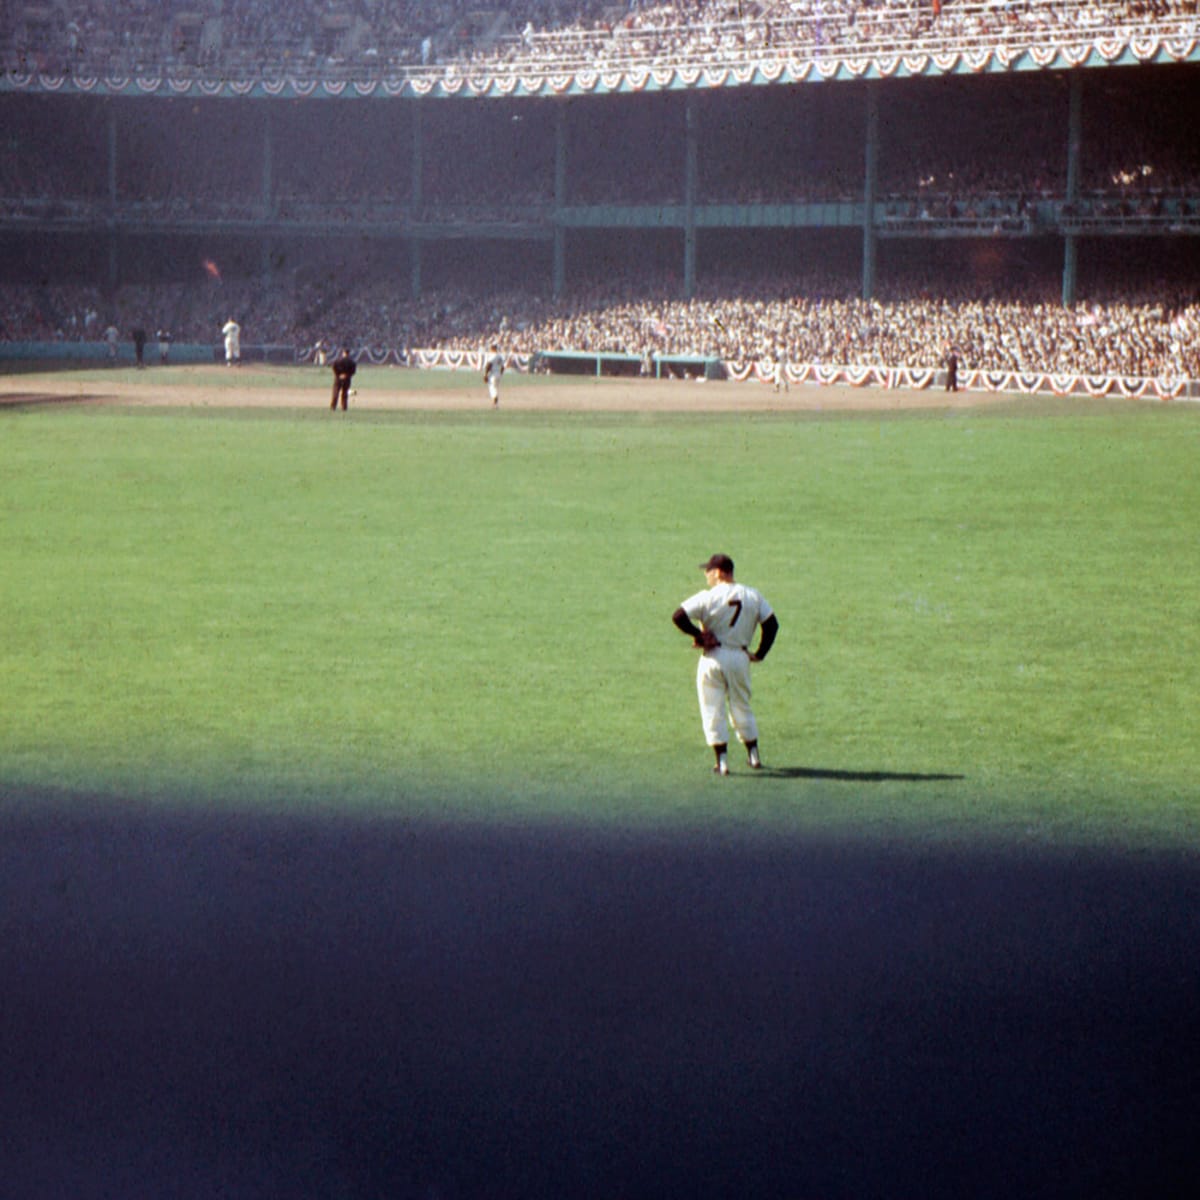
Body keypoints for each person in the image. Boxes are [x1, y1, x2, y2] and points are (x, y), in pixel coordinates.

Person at [672, 553, 779, 776]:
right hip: (740, 657)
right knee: (741, 706)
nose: (706, 575)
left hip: (713, 657)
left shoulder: (707, 597)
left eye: (709, 571)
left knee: (712, 708)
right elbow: (772, 625)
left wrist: (699, 636)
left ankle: (721, 762)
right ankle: (754, 756)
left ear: (719, 572)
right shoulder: (753, 595)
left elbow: (678, 616)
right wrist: (759, 654)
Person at [330, 346, 356, 411]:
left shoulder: (338, 360)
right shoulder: (352, 362)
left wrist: (338, 375)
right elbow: (353, 371)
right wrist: (347, 375)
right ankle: (344, 407)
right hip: (347, 379)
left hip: (338, 379)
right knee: (344, 393)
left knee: (335, 392)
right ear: (349, 353)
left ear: (343, 353)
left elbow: (334, 367)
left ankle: (333, 406)